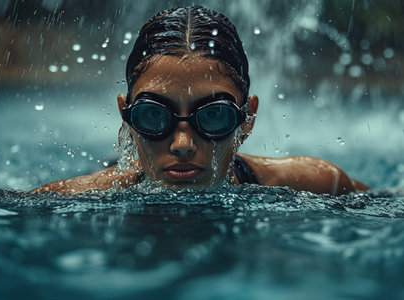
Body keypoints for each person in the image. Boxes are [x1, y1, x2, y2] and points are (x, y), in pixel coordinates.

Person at [32, 5, 369, 195]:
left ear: (247, 118)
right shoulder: (72, 197)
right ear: (126, 114)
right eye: (153, 116)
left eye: (213, 116)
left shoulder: (318, 182)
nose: (181, 144)